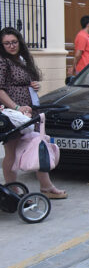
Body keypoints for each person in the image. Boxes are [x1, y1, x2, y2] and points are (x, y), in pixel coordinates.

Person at [0, 27, 66, 199]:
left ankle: (46, 186)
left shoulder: (22, 59)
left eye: (14, 42)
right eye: (7, 43)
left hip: (30, 110)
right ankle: (12, 191)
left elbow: (25, 82)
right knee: (11, 151)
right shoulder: (3, 61)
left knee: (38, 144)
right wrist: (16, 107)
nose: (11, 46)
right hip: (14, 114)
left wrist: (34, 85)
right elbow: (0, 90)